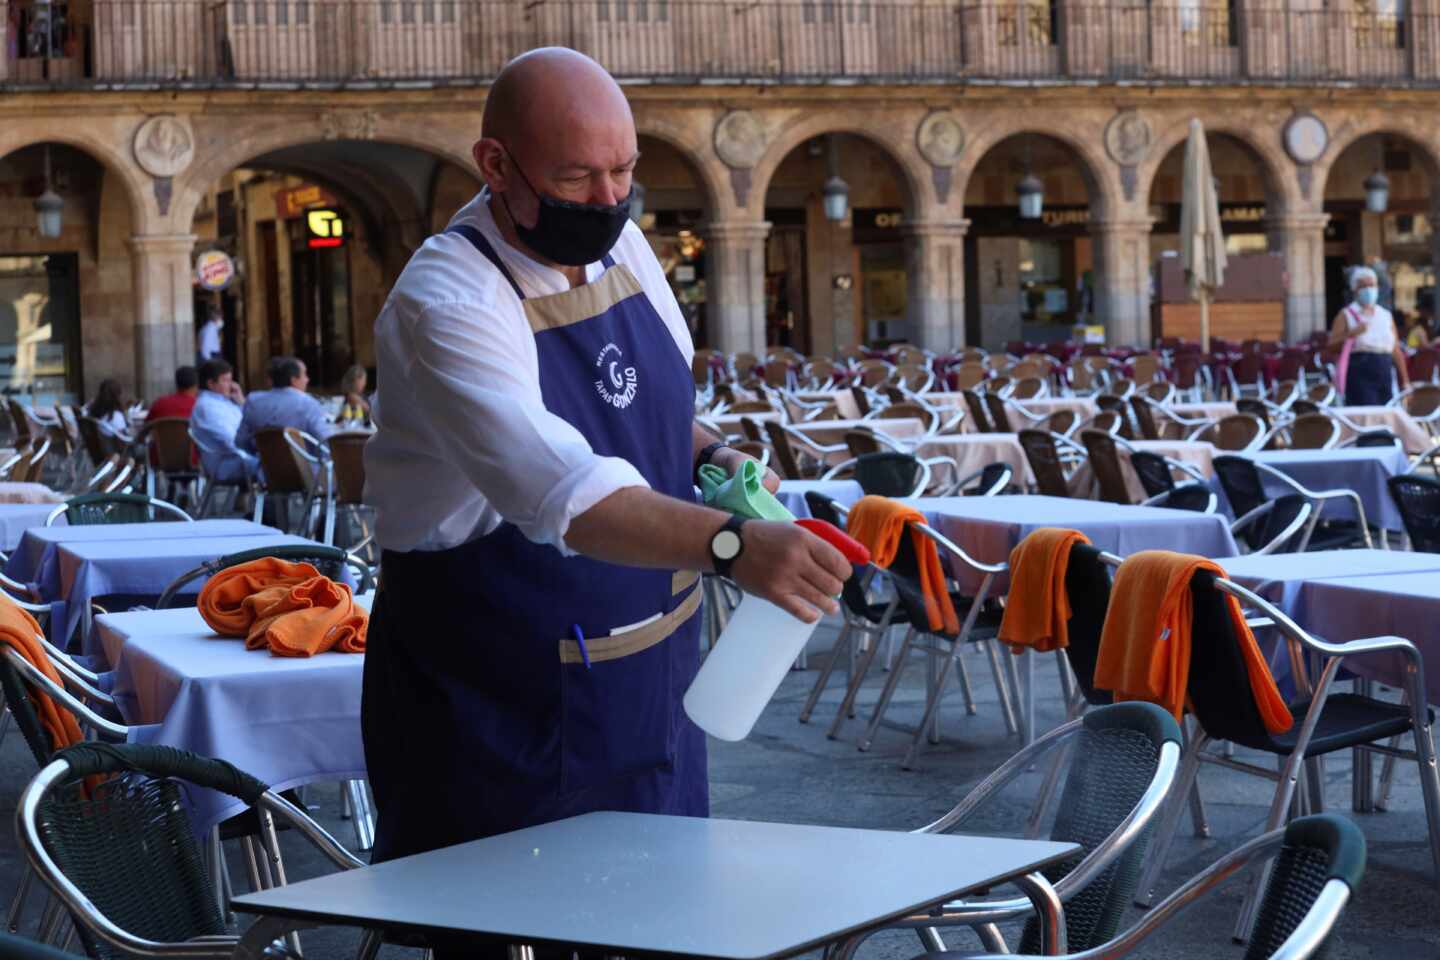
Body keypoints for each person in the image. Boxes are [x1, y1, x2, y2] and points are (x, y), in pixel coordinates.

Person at [361, 47, 850, 893]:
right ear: (495, 164)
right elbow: (565, 494)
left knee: (666, 916)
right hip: (503, 709)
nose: (609, 199)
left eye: (624, 170)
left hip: (650, 688)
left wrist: (713, 457)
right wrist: (735, 547)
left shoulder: (626, 250)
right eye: (579, 176)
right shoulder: (447, 301)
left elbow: (638, 409)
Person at [1330, 266, 1410, 405]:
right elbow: (1332, 346)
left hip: (1384, 370)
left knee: (1385, 414)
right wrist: (1351, 334)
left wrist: (1405, 381)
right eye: (1363, 286)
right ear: (1355, 290)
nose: (1368, 289)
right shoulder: (1346, 314)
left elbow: (1395, 350)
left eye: (1371, 285)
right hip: (1360, 371)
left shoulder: (1385, 315)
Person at [234, 356, 334, 453]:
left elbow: (240, 442)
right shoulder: (307, 403)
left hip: (264, 468)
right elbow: (326, 441)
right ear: (293, 380)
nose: (307, 380)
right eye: (304, 375)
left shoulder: (254, 400)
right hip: (306, 468)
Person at [190, 358, 257, 483]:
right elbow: (229, 439)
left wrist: (242, 402)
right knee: (274, 467)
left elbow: (249, 425)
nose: (231, 385)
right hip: (226, 463)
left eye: (230, 380)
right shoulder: (207, 407)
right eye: (226, 381)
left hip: (239, 457)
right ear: (211, 384)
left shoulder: (226, 402)